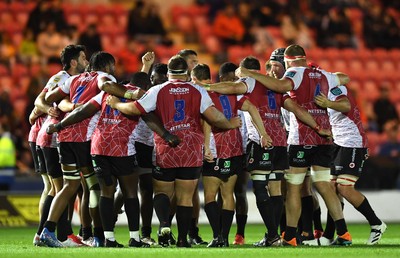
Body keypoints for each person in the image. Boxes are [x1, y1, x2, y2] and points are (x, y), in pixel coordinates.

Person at [106, 55, 242, 248]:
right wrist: (228, 124)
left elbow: (136, 109)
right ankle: (182, 240)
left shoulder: (157, 90)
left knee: (162, 191)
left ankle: (163, 224)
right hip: (191, 149)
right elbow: (214, 117)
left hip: (166, 147)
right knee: (186, 197)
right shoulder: (197, 91)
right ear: (187, 72)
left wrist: (117, 104)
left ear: (168, 72)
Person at [195, 54, 330, 247]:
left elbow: (232, 88)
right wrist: (318, 127)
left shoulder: (248, 82)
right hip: (281, 143)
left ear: (243, 71)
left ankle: (273, 235)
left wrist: (206, 86)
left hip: (262, 142)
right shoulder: (275, 85)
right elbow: (297, 109)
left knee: (260, 188)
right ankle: (273, 235)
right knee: (275, 190)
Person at [236, 44, 351, 246]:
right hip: (323, 137)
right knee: (323, 185)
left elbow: (281, 87)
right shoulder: (323, 74)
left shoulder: (295, 72)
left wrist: (249, 74)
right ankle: (343, 233)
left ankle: (289, 235)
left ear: (288, 60)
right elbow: (345, 78)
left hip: (302, 138)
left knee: (294, 188)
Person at [40, 51, 138, 247]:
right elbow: (106, 86)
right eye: (113, 66)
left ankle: (47, 231)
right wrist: (130, 94)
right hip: (85, 138)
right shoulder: (104, 77)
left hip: (65, 136)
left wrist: (67, 104)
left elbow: (50, 96)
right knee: (94, 187)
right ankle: (98, 236)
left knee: (70, 185)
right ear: (108, 66)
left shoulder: (74, 79)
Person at [192, 63, 272, 247]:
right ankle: (225, 239)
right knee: (228, 194)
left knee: (210, 196)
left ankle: (216, 237)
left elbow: (206, 122)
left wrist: (206, 147)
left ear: (195, 78)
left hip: (215, 147)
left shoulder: (203, 95)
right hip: (235, 149)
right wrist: (263, 133)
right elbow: (252, 108)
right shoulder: (232, 94)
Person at [303, 84, 387, 246]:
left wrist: (328, 103)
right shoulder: (319, 93)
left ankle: (376, 224)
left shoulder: (334, 89)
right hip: (339, 143)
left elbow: (346, 105)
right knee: (333, 189)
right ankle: (329, 236)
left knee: (344, 187)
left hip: (352, 142)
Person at [30, 44, 88, 247]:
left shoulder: (74, 80)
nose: (86, 61)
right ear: (74, 62)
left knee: (60, 188)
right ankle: (53, 235)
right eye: (83, 57)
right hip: (52, 139)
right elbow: (40, 100)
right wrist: (48, 109)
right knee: (60, 188)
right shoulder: (62, 77)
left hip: (55, 138)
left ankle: (52, 234)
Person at [177, 49, 206, 245]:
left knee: (192, 191)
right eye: (192, 61)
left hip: (193, 145)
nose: (196, 65)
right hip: (172, 144)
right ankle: (169, 229)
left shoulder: (199, 88)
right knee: (174, 191)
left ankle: (192, 231)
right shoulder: (168, 86)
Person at [218, 62, 249, 245]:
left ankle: (240, 234)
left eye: (236, 80)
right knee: (220, 192)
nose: (234, 84)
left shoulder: (242, 96)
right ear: (222, 80)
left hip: (242, 149)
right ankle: (221, 233)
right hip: (222, 149)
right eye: (231, 80)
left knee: (240, 191)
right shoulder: (215, 97)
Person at [0, 123, 16, 191]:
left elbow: (3, 157)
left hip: (3, 174)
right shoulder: (9, 140)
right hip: (8, 173)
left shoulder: (5, 141)